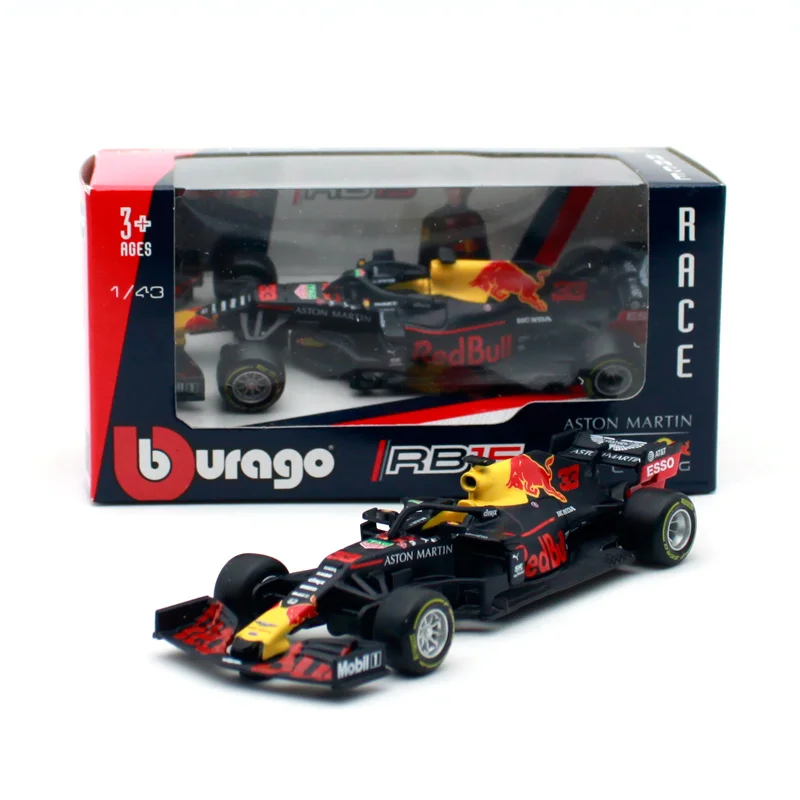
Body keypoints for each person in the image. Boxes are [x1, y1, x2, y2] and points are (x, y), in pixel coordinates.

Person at [418, 187, 490, 266]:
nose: (458, 193)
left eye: (462, 189)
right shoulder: (432, 220)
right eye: (453, 189)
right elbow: (425, 258)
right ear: (446, 190)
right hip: (442, 271)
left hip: (470, 271)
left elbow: (484, 256)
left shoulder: (475, 219)